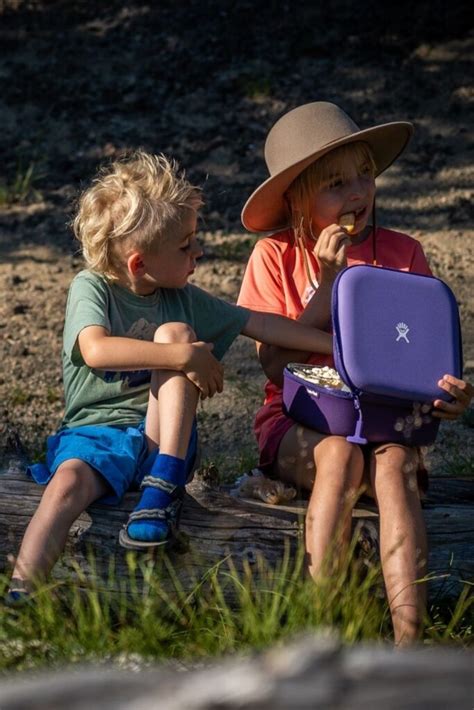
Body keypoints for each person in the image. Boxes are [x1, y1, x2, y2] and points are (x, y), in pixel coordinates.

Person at [7, 150, 333, 600]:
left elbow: (259, 323)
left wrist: (336, 347)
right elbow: (95, 349)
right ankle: (22, 594)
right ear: (140, 263)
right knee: (65, 486)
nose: (199, 250)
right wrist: (183, 357)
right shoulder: (92, 287)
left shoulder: (182, 299)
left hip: (165, 439)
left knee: (176, 332)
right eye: (185, 245)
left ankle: (162, 487)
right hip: (95, 435)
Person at [237, 101, 473, 645]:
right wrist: (325, 281)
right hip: (303, 420)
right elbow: (273, 365)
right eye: (336, 183)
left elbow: (425, 356)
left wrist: (448, 394)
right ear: (296, 197)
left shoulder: (402, 253)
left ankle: (407, 641)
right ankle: (324, 634)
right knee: (339, 455)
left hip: (389, 420)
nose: (357, 192)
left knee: (394, 467)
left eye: (364, 175)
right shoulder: (274, 257)